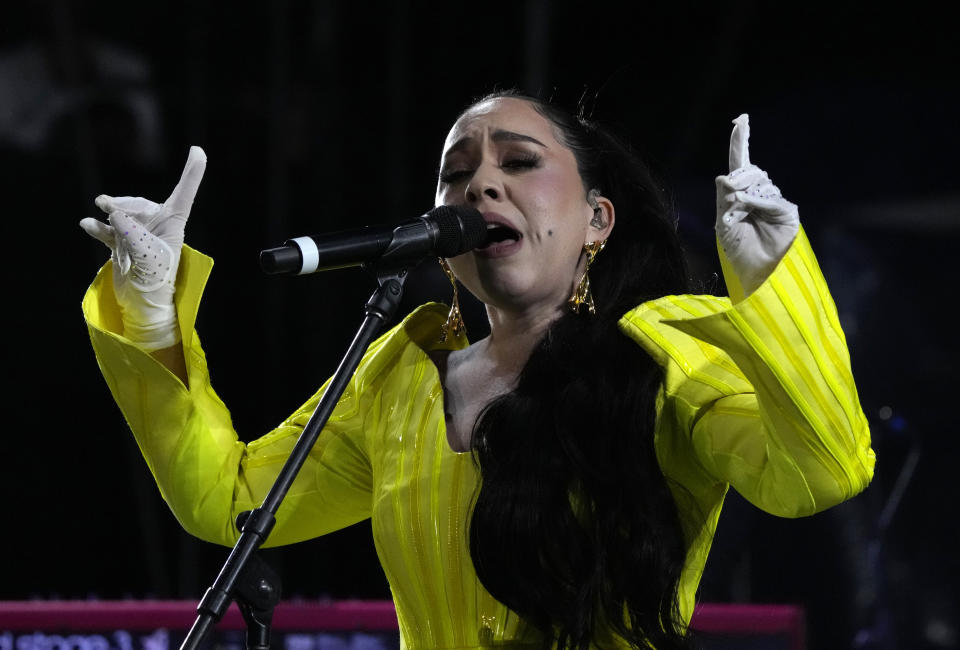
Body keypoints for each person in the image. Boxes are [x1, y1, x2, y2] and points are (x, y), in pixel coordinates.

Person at [80, 92, 875, 650]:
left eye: (520, 161)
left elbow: (821, 474)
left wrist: (772, 277)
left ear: (597, 219)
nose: (482, 183)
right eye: (457, 175)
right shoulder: (400, 372)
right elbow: (232, 500)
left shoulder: (666, 355)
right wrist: (152, 311)